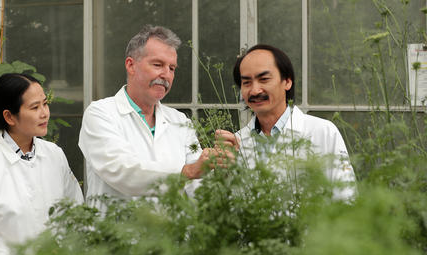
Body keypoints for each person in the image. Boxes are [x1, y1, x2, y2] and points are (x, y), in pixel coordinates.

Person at [79, 25, 229, 206]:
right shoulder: (100, 114)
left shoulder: (180, 121)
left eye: (172, 68)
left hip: (171, 233)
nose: (166, 75)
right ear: (131, 65)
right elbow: (122, 171)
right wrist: (186, 172)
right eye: (158, 65)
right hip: (117, 233)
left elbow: (199, 190)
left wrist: (221, 168)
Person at [0, 73, 83, 255]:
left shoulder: (54, 155)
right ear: (9, 116)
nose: (44, 113)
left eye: (45, 103)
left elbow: (74, 210)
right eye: (34, 107)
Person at [216, 44, 355, 199]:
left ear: (287, 81)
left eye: (264, 79)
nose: (255, 90)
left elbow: (346, 197)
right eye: (246, 82)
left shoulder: (322, 132)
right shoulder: (238, 143)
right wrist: (227, 173)